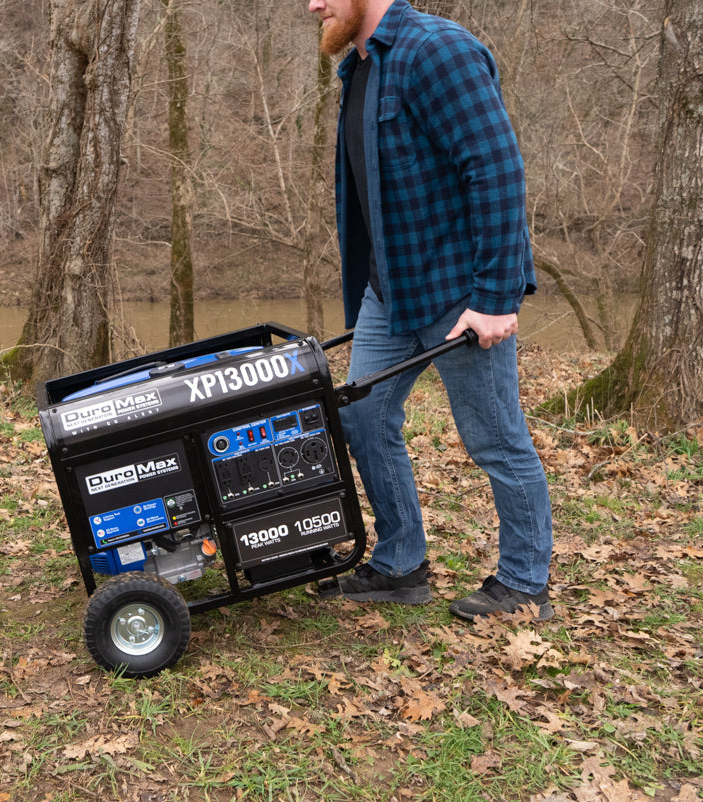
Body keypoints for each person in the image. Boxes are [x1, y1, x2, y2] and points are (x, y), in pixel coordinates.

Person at [308, 0, 554, 620]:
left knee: (494, 437)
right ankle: (400, 565)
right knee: (363, 418)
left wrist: (494, 298)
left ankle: (525, 583)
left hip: (458, 294)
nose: (312, 5)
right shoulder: (360, 67)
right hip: (390, 291)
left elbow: (497, 170)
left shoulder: (437, 50)